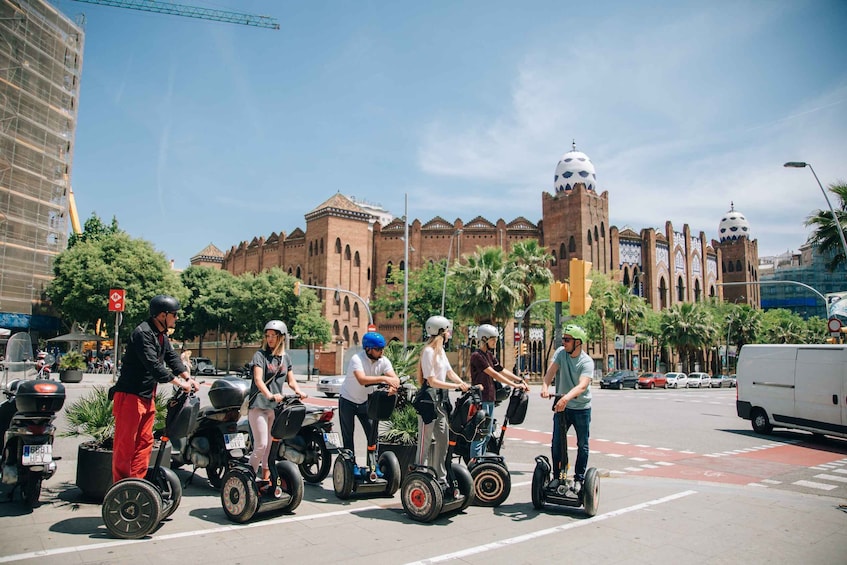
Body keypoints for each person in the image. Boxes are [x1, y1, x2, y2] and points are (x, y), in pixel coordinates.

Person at [112, 295, 198, 483]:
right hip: (130, 395)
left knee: (145, 442)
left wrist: (187, 377)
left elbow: (172, 357)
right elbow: (154, 366)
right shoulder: (142, 333)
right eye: (174, 315)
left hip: (146, 395)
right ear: (161, 315)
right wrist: (179, 383)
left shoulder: (161, 335)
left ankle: (137, 482)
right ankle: (121, 486)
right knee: (125, 445)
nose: (176, 318)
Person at [247, 320, 307, 483]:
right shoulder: (260, 355)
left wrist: (298, 391)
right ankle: (249, 478)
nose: (270, 339)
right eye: (268, 336)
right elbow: (258, 380)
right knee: (261, 446)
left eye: (273, 336)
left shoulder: (285, 358)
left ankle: (267, 481)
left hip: (274, 408)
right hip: (258, 406)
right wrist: (269, 395)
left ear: (281, 338)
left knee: (271, 448)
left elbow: (291, 380)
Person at [415, 315, 469, 490]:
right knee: (425, 441)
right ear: (439, 332)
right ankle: (420, 475)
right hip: (429, 400)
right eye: (447, 330)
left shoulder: (441, 352)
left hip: (441, 400)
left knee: (442, 439)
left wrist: (463, 384)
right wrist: (455, 386)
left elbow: (449, 372)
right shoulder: (428, 351)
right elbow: (431, 381)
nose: (449, 333)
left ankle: (441, 478)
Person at [540, 324, 594, 490]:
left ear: (578, 342)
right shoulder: (560, 354)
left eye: (567, 340)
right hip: (562, 406)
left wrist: (566, 398)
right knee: (557, 443)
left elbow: (582, 386)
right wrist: (544, 386)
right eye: (563, 339)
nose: (564, 342)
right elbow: (551, 372)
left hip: (581, 408)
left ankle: (579, 479)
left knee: (582, 444)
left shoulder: (586, 362)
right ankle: (558, 476)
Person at [338, 331, 399, 465]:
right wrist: (384, 378)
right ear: (368, 349)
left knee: (372, 435)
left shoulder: (383, 361)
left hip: (366, 402)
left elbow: (394, 378)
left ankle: (372, 466)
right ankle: (350, 466)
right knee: (348, 436)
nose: (381, 352)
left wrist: (393, 386)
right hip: (348, 400)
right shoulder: (357, 359)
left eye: (382, 348)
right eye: (378, 349)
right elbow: (362, 380)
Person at [469, 324, 529, 459]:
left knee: (488, 433)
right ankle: (475, 463)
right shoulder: (477, 356)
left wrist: (518, 380)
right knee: (480, 433)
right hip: (481, 398)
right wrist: (514, 384)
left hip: (490, 398)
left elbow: (500, 369)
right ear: (484, 339)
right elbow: (493, 374)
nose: (495, 342)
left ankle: (482, 460)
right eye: (493, 339)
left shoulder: (489, 355)